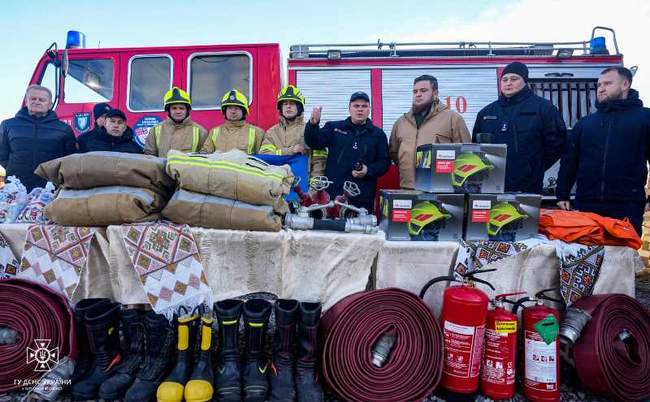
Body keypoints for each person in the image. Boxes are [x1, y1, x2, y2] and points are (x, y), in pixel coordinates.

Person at [557, 67, 650, 235]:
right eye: (599, 84)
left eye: (608, 83)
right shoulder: (585, 123)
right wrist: (562, 193)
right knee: (588, 257)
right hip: (587, 204)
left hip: (627, 204)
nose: (601, 88)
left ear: (625, 84)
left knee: (623, 257)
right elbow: (570, 161)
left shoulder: (645, 118)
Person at [472, 62, 567, 194]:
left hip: (527, 186)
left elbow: (557, 144)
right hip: (491, 185)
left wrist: (533, 167)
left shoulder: (543, 108)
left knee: (523, 215)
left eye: (514, 79)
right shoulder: (486, 113)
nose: (508, 83)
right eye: (504, 79)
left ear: (525, 81)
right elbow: (476, 147)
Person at [304, 91, 390, 212]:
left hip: (362, 199)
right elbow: (314, 142)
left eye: (364, 106)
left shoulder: (378, 134)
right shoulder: (334, 128)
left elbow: (384, 162)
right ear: (349, 109)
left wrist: (368, 170)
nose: (360, 109)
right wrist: (313, 125)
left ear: (369, 109)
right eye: (356, 106)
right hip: (333, 197)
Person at [389, 75, 471, 189]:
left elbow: (466, 153)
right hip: (407, 189)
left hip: (441, 190)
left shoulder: (453, 119)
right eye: (415, 91)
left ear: (435, 93)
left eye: (423, 90)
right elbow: (394, 153)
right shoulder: (401, 122)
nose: (418, 94)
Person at [0, 85, 76, 190]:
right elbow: (2, 155)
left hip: (50, 187)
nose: (37, 101)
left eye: (42, 99)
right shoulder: (8, 125)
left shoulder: (64, 129)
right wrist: (13, 169)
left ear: (50, 104)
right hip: (16, 187)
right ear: (26, 101)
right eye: (33, 98)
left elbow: (70, 158)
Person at [260, 85, 326, 177]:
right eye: (285, 104)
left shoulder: (309, 130)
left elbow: (319, 160)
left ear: (299, 107)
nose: (288, 107)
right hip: (277, 184)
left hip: (303, 183)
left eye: (292, 103)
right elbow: (265, 155)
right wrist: (290, 150)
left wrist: (314, 187)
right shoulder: (272, 132)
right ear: (281, 108)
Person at [144, 87, 207, 157]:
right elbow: (149, 157)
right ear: (168, 110)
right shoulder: (155, 130)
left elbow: (204, 157)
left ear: (187, 110)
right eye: (174, 108)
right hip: (163, 168)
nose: (178, 111)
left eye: (181, 108)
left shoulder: (200, 131)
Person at [201, 89, 265, 154]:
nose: (233, 111)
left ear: (244, 111)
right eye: (229, 108)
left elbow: (262, 158)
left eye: (236, 108)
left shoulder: (257, 132)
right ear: (224, 111)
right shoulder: (214, 132)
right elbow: (205, 154)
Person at [78, 108, 143, 154]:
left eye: (120, 122)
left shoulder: (135, 149)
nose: (116, 125)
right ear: (105, 123)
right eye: (112, 121)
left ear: (125, 126)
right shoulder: (86, 142)